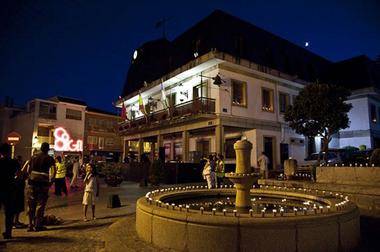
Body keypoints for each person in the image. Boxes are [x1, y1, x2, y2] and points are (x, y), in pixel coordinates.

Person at [26, 142, 56, 232]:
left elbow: (28, 169)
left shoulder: (33, 157)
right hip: (42, 184)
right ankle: (37, 225)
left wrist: (30, 177)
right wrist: (51, 181)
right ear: (47, 149)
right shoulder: (49, 158)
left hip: (32, 183)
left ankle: (30, 224)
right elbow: (53, 170)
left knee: (31, 204)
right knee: (40, 204)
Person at [0, 143, 20, 239]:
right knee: (9, 212)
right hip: (9, 188)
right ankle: (8, 232)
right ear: (9, 151)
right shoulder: (14, 162)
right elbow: (19, 174)